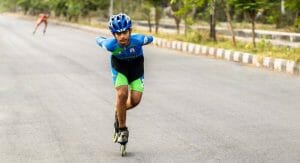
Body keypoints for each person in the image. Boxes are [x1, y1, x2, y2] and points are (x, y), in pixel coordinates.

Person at [96, 13, 153, 145]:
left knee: (135, 101)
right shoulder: (110, 45)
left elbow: (151, 38)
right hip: (120, 67)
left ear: (130, 31)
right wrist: (99, 39)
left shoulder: (138, 40)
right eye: (118, 33)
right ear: (114, 35)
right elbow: (99, 40)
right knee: (122, 94)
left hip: (136, 68)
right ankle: (122, 129)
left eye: (125, 32)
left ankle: (119, 110)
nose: (122, 36)